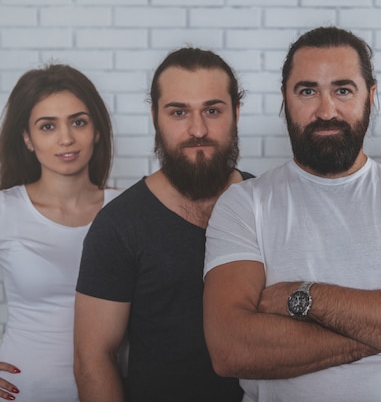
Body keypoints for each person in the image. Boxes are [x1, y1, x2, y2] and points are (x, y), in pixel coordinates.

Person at [203, 26, 381, 402]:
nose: (326, 110)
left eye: (343, 90)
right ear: (285, 97)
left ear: (370, 96)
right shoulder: (244, 204)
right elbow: (232, 348)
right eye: (308, 91)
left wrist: (305, 297)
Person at [73, 47, 249, 402]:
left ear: (236, 113)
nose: (197, 129)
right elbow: (92, 358)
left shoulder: (269, 205)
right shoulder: (119, 224)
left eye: (212, 111)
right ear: (155, 116)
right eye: (179, 112)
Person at [0, 64, 117, 401]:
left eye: (78, 122)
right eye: (47, 126)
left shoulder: (126, 210)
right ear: (27, 138)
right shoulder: (5, 210)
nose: (66, 138)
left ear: (96, 130)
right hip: (23, 392)